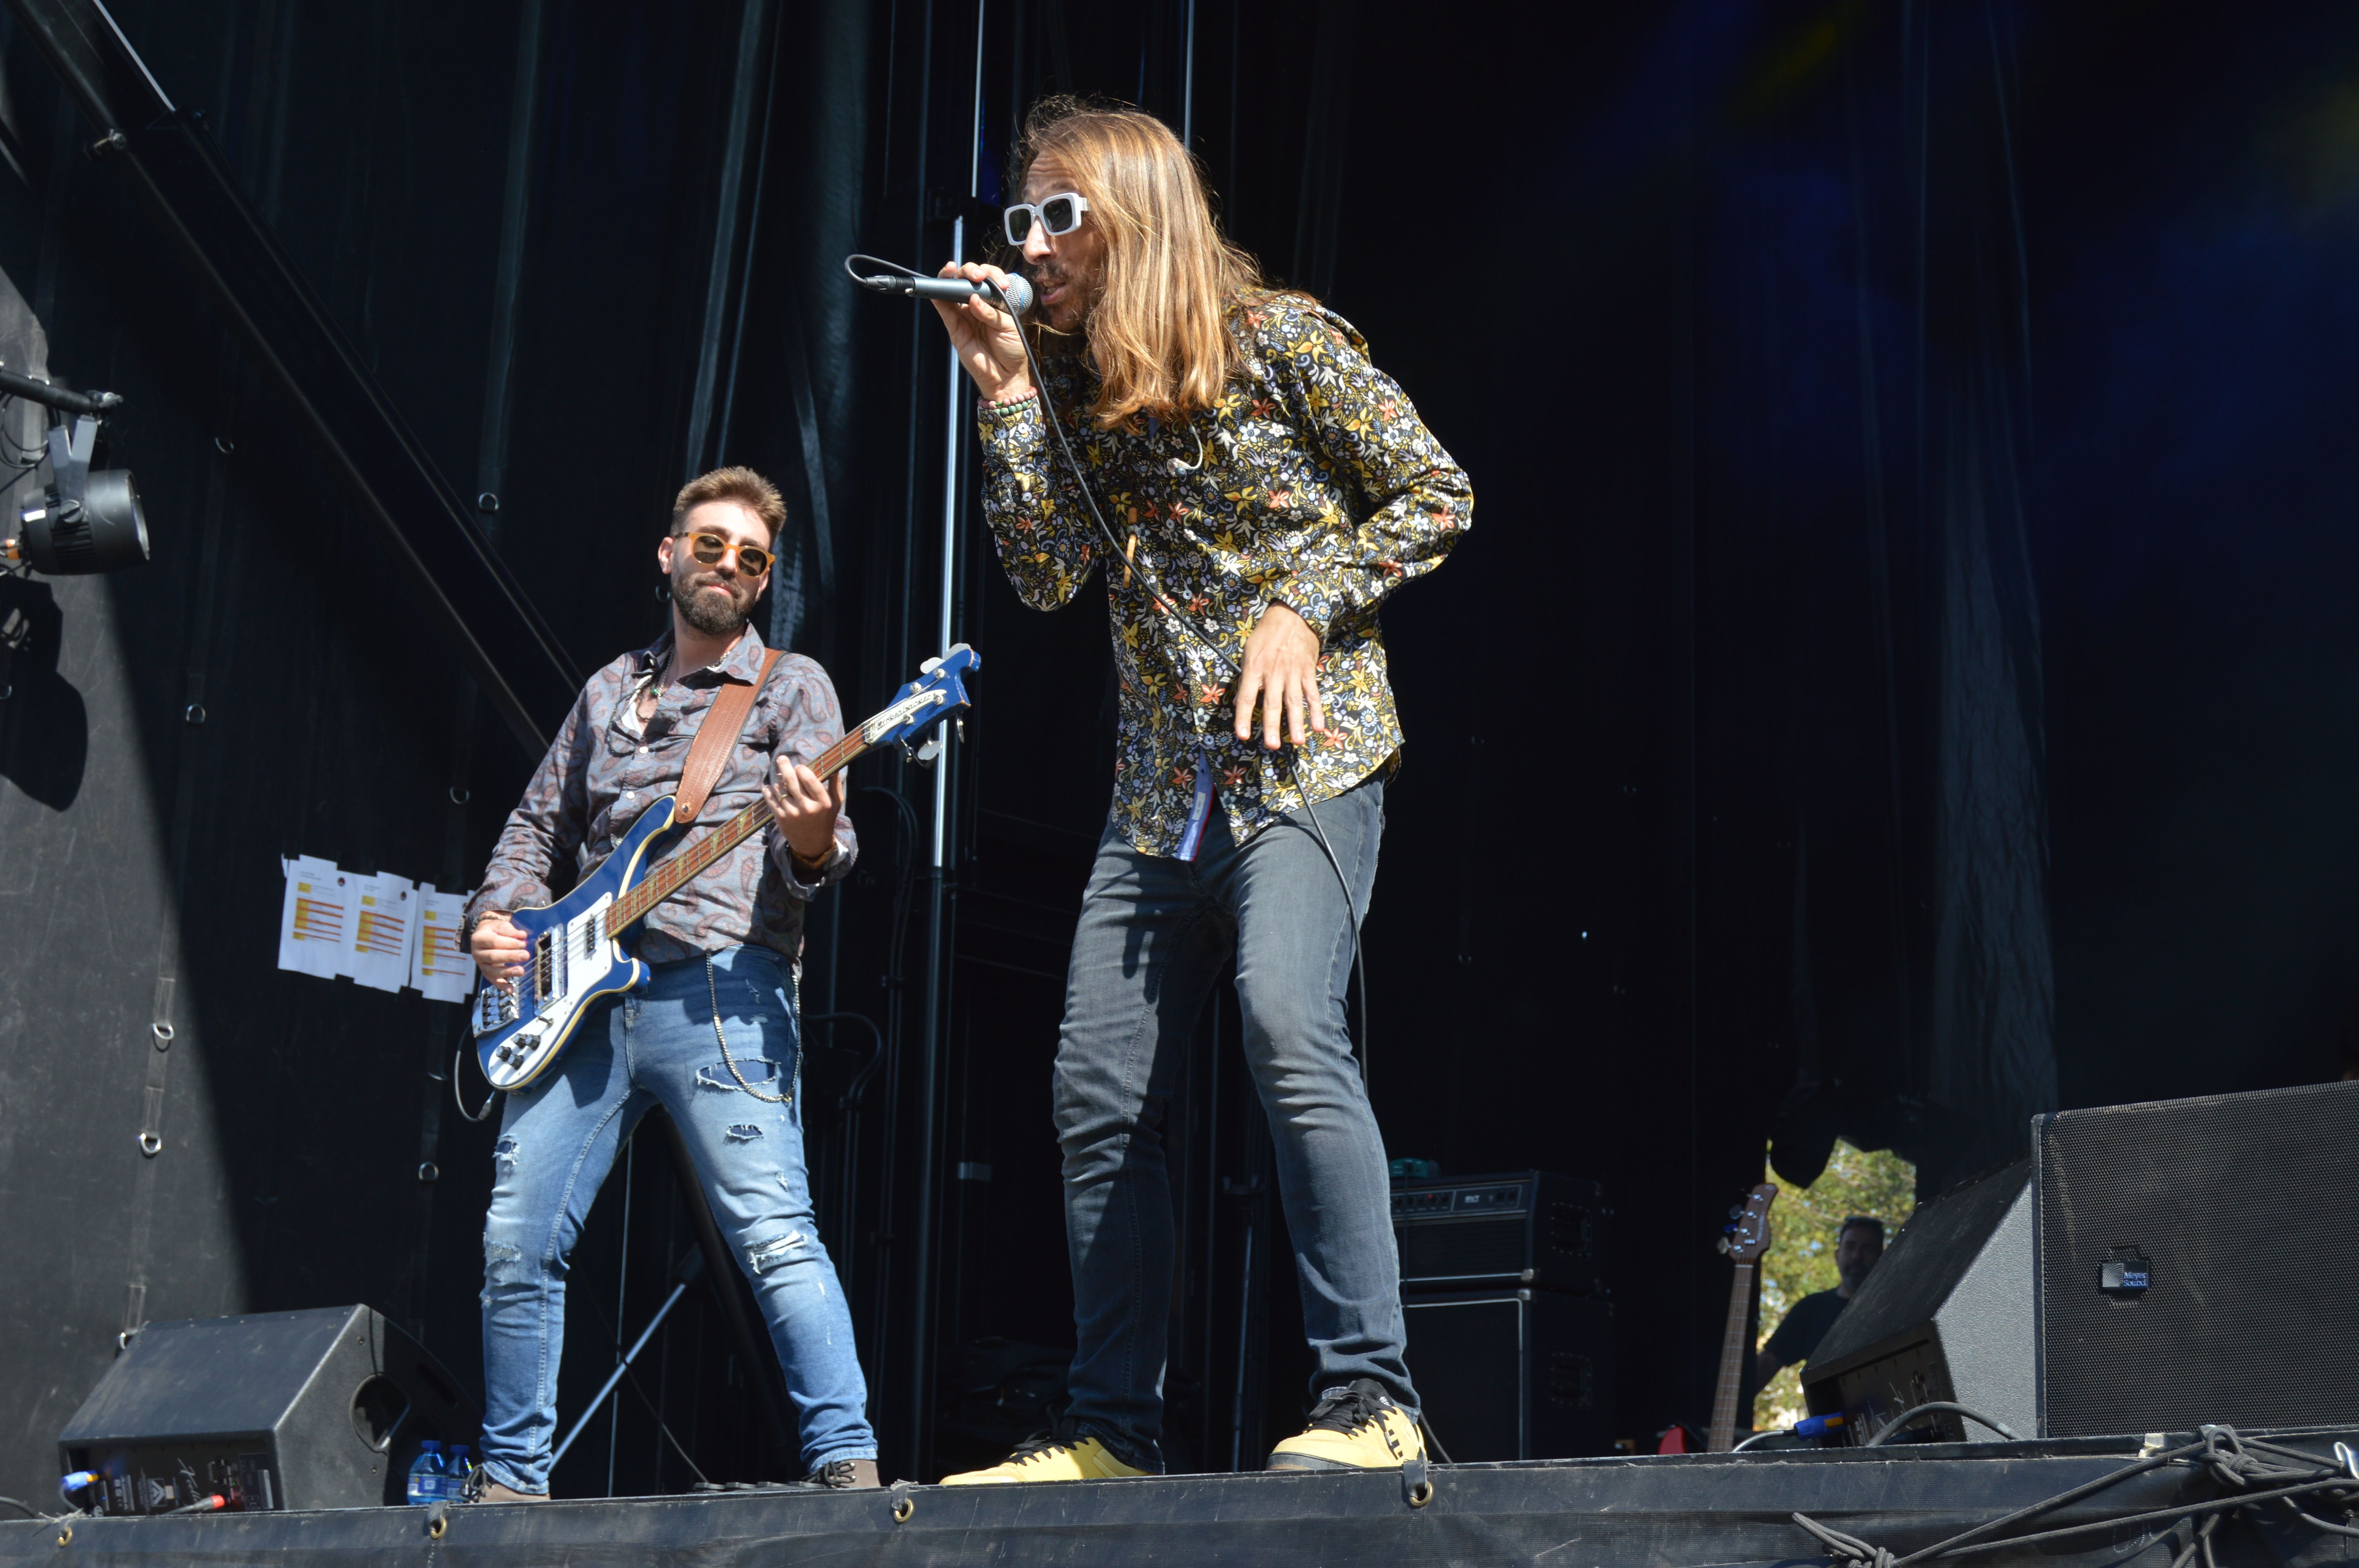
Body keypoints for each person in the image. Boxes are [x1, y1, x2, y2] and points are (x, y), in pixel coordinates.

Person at [927, 99, 1473, 1481]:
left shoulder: (1283, 341)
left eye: (1061, 216)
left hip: (1306, 762)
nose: (1033, 246)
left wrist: (1305, 602)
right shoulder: (1074, 388)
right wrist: (999, 391)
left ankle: (1372, 1399)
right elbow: (1048, 574)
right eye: (1022, 221)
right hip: (1158, 795)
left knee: (1289, 1024)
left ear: (1136, 214)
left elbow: (1433, 492)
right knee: (1094, 1093)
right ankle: (1112, 1428)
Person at [460, 468, 879, 1497]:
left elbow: (823, 854)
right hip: (579, 1010)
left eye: (752, 559)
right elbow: (533, 831)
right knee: (516, 1244)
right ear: (668, 554)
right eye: (712, 546)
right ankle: (510, 1480)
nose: (731, 567)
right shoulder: (608, 690)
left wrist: (815, 839)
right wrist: (497, 918)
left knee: (776, 1239)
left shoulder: (791, 687)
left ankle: (848, 1467)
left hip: (723, 990)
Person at [1756, 1216, 1887, 1385]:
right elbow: (1766, 1365)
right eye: (1850, 1247)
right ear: (1837, 1256)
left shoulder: (1896, 1308)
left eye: (1867, 1249)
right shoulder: (1811, 1310)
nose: (1857, 1256)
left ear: (1882, 1257)